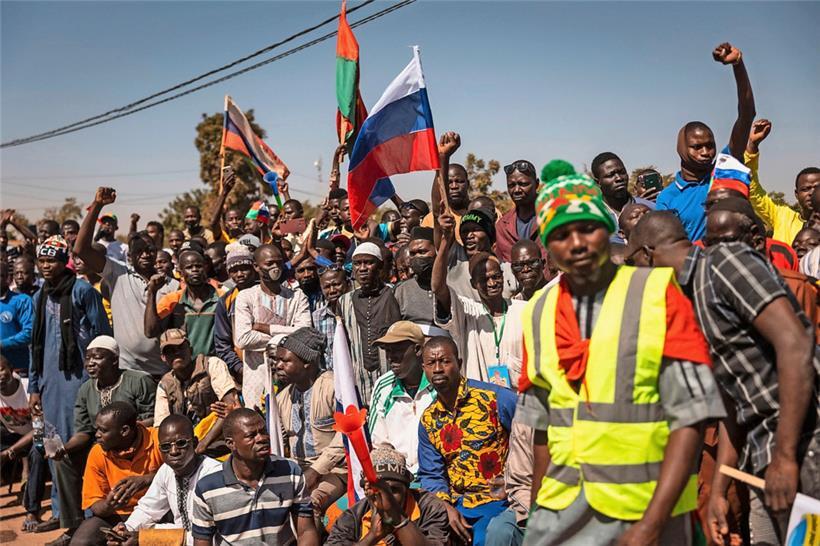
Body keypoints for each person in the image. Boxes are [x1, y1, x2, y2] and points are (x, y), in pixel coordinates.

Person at [519, 175, 724, 546]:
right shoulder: (536, 312)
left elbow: (692, 419)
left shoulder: (659, 295)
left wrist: (652, 523)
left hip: (651, 515)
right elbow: (542, 429)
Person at [628, 211, 819, 545]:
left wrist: (786, 456)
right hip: (764, 457)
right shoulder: (690, 303)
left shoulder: (723, 263)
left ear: (647, 254)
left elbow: (794, 344)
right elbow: (730, 402)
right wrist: (719, 491)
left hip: (805, 445)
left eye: (633, 265)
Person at [28, 235, 111, 537]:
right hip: (50, 383)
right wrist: (34, 386)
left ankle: (87, 514)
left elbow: (103, 336)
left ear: (64, 261)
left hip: (81, 382)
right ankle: (61, 513)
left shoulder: (83, 291)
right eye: (42, 260)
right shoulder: (40, 296)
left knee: (84, 447)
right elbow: (34, 345)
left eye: (51, 260)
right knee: (53, 446)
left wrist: (100, 379)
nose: (46, 265)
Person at [417, 336, 516, 546]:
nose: (437, 369)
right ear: (423, 368)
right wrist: (445, 507)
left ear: (459, 363)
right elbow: (431, 474)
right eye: (431, 363)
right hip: (456, 506)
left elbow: (531, 439)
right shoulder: (428, 420)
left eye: (444, 361)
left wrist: (516, 482)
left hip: (498, 501)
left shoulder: (494, 399)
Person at [75, 187, 180, 378]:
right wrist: (97, 205)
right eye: (139, 250)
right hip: (125, 373)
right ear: (130, 256)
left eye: (149, 249)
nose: (146, 254)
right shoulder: (118, 273)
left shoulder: (172, 286)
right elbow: (81, 249)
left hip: (162, 374)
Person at [656, 42, 756, 241]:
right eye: (696, 146)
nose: (705, 152)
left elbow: (746, 115)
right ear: (682, 149)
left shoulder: (725, 169)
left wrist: (738, 65)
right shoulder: (667, 198)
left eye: (710, 146)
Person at [53, 336, 156, 509]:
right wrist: (64, 449)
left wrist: (121, 433)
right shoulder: (86, 389)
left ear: (115, 360)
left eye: (98, 357)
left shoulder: (138, 381)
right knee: (65, 460)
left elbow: (154, 419)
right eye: (87, 358)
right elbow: (84, 431)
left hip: (134, 445)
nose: (90, 363)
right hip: (101, 446)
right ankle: (74, 522)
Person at [191, 408, 320, 546]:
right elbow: (202, 542)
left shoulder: (290, 472)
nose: (262, 438)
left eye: (263, 432)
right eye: (251, 436)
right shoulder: (207, 488)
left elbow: (306, 532)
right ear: (231, 443)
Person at [106, 415, 222, 546]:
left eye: (181, 443)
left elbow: (215, 537)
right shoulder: (166, 470)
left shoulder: (214, 474)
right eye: (166, 447)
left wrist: (147, 539)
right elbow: (147, 509)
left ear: (194, 443)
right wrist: (126, 529)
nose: (173, 451)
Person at [271, 328, 347, 521]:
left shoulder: (333, 387)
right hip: (298, 471)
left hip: (335, 471)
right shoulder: (282, 398)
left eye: (285, 361)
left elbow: (346, 433)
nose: (277, 366)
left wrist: (314, 471)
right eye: (277, 360)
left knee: (310, 505)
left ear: (307, 363)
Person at [433, 230, 526, 386]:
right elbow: (438, 288)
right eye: (484, 279)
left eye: (495, 276)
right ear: (473, 284)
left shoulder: (523, 310)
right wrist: (444, 242)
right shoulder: (468, 313)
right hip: (478, 404)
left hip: (518, 401)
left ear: (502, 276)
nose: (491, 283)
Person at [233, 243, 311, 409]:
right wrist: (287, 338)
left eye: (278, 262)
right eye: (269, 264)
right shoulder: (246, 297)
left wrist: (266, 328)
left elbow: (305, 333)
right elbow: (243, 339)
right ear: (256, 267)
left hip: (292, 382)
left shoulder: (297, 296)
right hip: (257, 382)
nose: (275, 268)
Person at [73, 402, 163, 545]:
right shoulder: (97, 453)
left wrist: (146, 480)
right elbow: (95, 505)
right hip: (117, 515)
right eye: (97, 429)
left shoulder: (158, 439)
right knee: (81, 541)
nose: (97, 435)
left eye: (103, 430)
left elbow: (181, 475)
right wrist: (110, 504)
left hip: (159, 512)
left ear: (124, 431)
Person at [326, 444, 450, 546]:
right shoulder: (352, 516)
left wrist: (397, 518)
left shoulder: (429, 507)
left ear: (406, 489)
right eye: (378, 491)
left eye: (393, 490)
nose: (386, 499)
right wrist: (372, 537)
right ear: (366, 491)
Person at [155, 329, 239, 456]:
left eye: (180, 347)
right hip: (185, 447)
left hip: (220, 442)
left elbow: (231, 408)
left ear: (190, 349)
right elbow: (162, 427)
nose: (177, 353)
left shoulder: (212, 364)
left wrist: (203, 444)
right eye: (170, 350)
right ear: (163, 357)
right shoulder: (164, 385)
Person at [368, 322, 437, 475]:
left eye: (398, 349)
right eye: (388, 350)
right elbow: (380, 445)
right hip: (399, 477)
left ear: (418, 350)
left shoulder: (437, 383)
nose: (391, 357)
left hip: (436, 475)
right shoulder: (383, 387)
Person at [339, 242, 402, 405]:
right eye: (357, 263)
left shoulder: (394, 293)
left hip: (392, 381)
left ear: (380, 266)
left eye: (368, 262)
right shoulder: (344, 301)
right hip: (359, 385)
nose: (362, 268)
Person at [745, 118, 820, 244]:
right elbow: (753, 191)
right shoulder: (782, 217)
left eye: (817, 187)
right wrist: (752, 145)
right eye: (805, 189)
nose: (811, 193)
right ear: (796, 194)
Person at [145, 249, 223, 359]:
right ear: (181, 273)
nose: (195, 270)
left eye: (198, 266)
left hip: (215, 365)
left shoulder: (222, 297)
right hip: (185, 367)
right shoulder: (173, 299)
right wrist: (152, 293)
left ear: (205, 268)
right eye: (189, 267)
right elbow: (150, 331)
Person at [0, 355, 44, 532]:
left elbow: (40, 430)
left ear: (11, 370)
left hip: (38, 437)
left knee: (37, 452)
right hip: (13, 436)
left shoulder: (28, 389)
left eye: (1, 369)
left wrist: (10, 451)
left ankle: (32, 511)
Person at [214, 242, 258, 380]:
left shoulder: (266, 293)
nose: (240, 274)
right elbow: (222, 342)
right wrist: (239, 368)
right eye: (234, 270)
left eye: (244, 268)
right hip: (243, 372)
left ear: (254, 268)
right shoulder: (225, 301)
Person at [590, 152, 656, 244]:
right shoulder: (591, 217)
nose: (618, 178)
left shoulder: (650, 208)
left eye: (622, 172)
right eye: (610, 175)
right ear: (597, 182)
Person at [495, 159, 547, 261]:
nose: (517, 190)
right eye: (511, 185)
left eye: (523, 184)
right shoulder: (502, 226)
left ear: (536, 184)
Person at [393, 227, 443, 333]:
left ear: (437, 251)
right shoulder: (401, 290)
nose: (417, 257)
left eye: (422, 252)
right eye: (413, 254)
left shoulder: (451, 283)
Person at [312, 265, 349, 371]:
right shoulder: (317, 317)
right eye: (327, 287)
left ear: (347, 283)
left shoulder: (356, 310)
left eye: (336, 284)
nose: (332, 290)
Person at [0, 258, 33, 374]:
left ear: (8, 278)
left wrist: (3, 344)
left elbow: (29, 332)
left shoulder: (22, 301)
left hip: (17, 370)